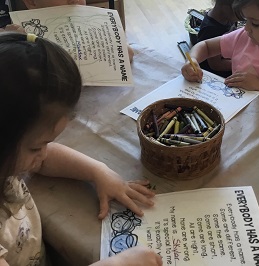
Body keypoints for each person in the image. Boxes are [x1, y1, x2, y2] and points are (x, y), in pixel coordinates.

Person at [0, 32, 161, 265]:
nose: (44, 154)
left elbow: (46, 159)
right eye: (36, 148)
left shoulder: (8, 157)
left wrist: (98, 171)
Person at [8, 0, 135, 61]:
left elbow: (128, 54)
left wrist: (113, 39)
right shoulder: (22, 33)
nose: (74, 0)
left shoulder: (90, 23)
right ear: (32, 2)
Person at [196, 0, 238, 78]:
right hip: (214, 73)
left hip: (229, 57)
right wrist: (241, 63)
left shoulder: (228, 17)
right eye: (239, 14)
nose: (241, 18)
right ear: (225, 6)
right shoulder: (210, 29)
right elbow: (216, 65)